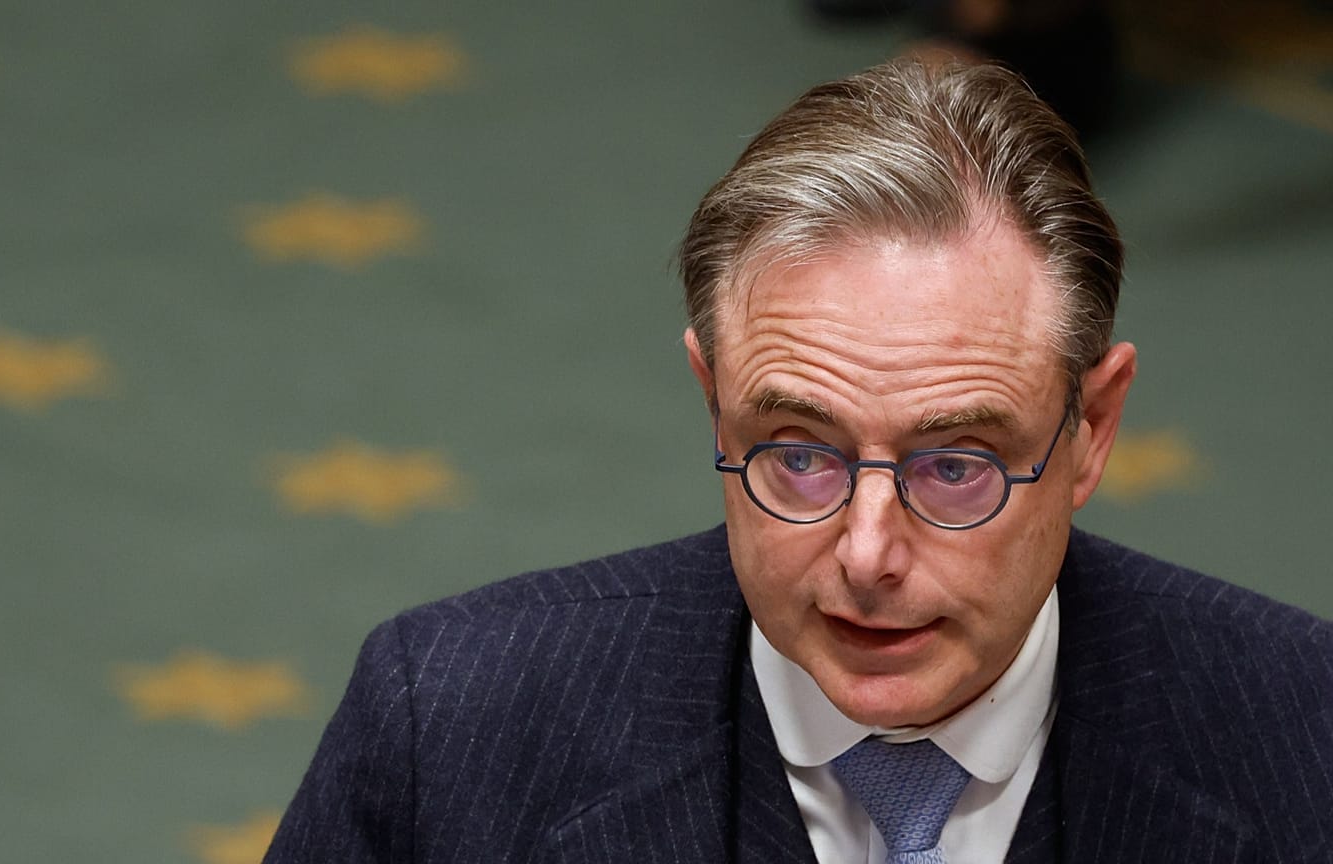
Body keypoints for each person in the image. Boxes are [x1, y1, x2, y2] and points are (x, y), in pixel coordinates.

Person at [263, 59, 1333, 863]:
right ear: (713, 405)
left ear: (1091, 429)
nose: (867, 557)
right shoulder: (447, 733)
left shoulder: (1308, 745)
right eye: (800, 456)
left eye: (956, 466)